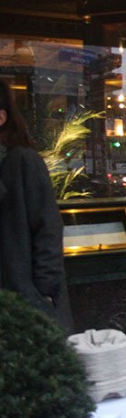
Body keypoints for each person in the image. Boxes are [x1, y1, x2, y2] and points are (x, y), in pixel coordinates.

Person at [0, 81, 73, 332]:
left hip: (24, 304)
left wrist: (43, 294)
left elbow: (48, 228)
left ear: (1, 117)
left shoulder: (23, 161)